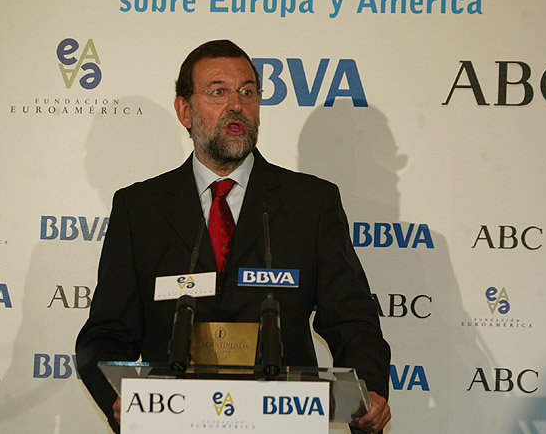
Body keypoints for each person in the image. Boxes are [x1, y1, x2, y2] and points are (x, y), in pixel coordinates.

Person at [76, 39, 391, 433]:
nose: (236, 105)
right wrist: (117, 398)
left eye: (247, 92)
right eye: (218, 92)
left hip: (281, 422)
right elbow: (107, 333)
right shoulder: (140, 209)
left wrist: (370, 388)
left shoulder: (310, 203)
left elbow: (351, 319)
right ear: (184, 110)